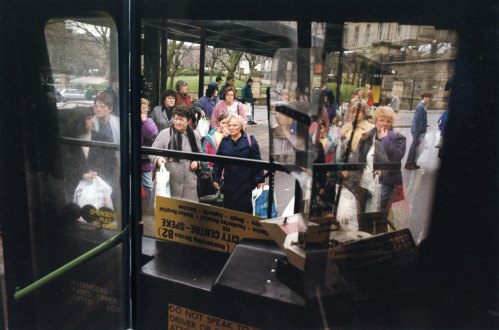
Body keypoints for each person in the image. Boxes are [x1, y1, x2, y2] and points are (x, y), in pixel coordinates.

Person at [212, 114, 265, 214]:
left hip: (247, 184)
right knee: (230, 211)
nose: (231, 128)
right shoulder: (224, 141)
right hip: (230, 184)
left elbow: (257, 162)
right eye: (229, 125)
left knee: (246, 211)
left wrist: (260, 180)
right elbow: (219, 162)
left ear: (240, 126)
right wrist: (216, 178)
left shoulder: (250, 140)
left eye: (234, 125)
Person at [149, 105, 201, 202]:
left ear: (188, 120)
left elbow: (200, 154)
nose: (177, 122)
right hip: (169, 184)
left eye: (181, 119)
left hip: (189, 187)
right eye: (176, 118)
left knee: (187, 215)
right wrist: (158, 159)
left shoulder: (195, 135)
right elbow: (152, 152)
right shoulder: (164, 134)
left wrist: (197, 162)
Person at [372, 106, 406, 210]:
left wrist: (385, 139)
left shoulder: (399, 137)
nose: (385, 123)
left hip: (388, 181)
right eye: (381, 120)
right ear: (376, 121)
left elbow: (396, 156)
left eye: (388, 121)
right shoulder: (369, 135)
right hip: (368, 179)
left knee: (381, 209)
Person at [61, 106, 98, 202]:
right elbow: (66, 167)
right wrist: (82, 175)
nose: (92, 121)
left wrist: (96, 173)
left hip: (95, 186)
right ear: (80, 121)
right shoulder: (69, 141)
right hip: (75, 188)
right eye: (88, 118)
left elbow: (106, 161)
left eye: (92, 117)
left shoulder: (98, 137)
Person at [91, 92, 120, 207]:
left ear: (110, 109)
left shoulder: (117, 123)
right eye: (96, 106)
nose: (98, 109)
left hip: (113, 164)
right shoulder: (91, 124)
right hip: (98, 166)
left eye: (102, 107)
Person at [405, 91, 432, 169]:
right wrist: (419, 131)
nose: (430, 98)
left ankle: (413, 162)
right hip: (418, 131)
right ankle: (409, 164)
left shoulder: (423, 106)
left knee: (417, 148)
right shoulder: (420, 106)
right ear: (424, 97)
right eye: (429, 97)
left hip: (419, 131)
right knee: (414, 148)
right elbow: (417, 121)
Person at [140, 98, 158, 204]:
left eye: (147, 108)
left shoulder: (149, 121)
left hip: (145, 160)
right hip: (133, 160)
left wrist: (145, 121)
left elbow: (152, 135)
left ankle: (152, 209)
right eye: (143, 109)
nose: (146, 111)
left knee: (148, 186)